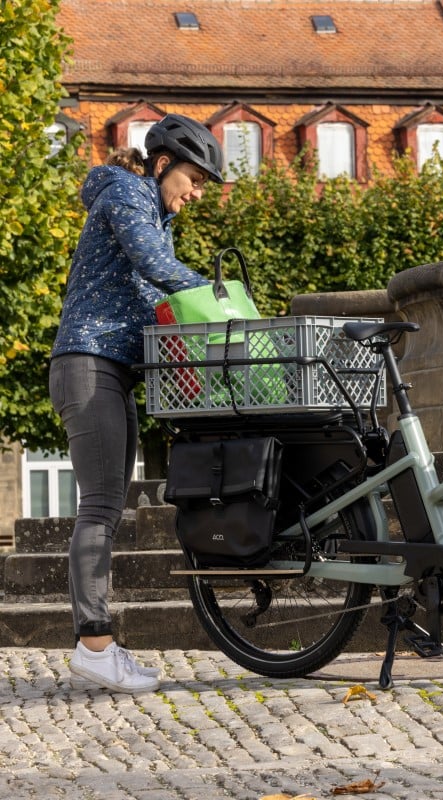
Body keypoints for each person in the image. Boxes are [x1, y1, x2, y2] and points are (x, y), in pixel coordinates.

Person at [49, 114, 224, 693]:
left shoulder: (149, 211)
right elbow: (155, 268)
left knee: (109, 508)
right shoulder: (127, 193)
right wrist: (223, 302)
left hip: (112, 371)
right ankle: (93, 646)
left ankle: (98, 644)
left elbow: (154, 298)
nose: (196, 194)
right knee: (99, 508)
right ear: (162, 163)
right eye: (194, 180)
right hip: (88, 363)